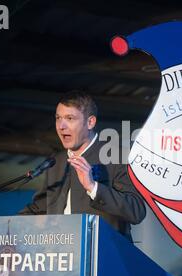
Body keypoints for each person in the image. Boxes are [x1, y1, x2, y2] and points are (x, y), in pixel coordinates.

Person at [19, 90, 146, 240]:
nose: (61, 126)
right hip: (61, 255)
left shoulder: (117, 156)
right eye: (58, 118)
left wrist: (93, 187)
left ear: (90, 122)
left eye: (70, 118)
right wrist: (6, 226)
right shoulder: (55, 162)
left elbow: (136, 211)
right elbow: (40, 208)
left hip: (104, 256)